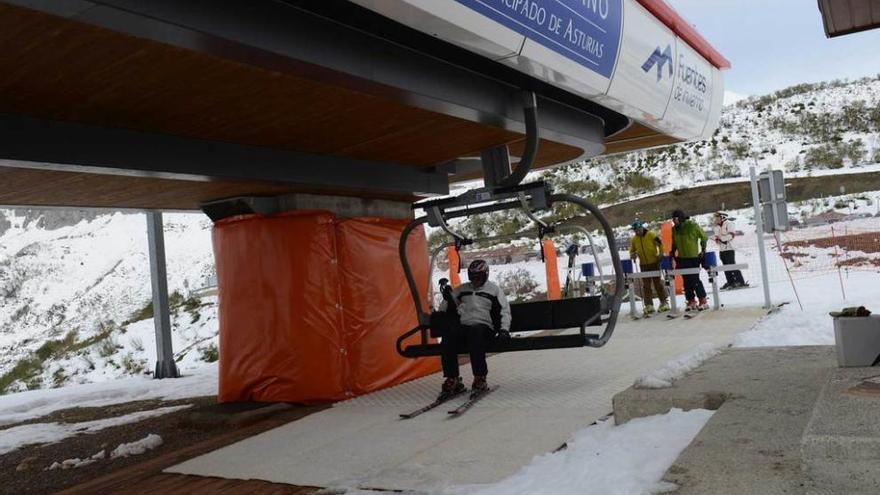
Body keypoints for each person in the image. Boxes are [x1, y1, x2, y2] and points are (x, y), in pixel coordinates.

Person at [438, 259, 511, 399]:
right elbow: (443, 309)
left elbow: (504, 311)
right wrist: (448, 298)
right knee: (449, 335)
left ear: (485, 275)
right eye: (472, 277)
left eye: (478, 277)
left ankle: (480, 377)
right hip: (465, 326)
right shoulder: (463, 289)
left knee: (476, 332)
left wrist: (504, 330)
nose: (475, 280)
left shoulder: (494, 290)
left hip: (485, 328)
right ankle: (453, 378)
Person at [670, 210, 709, 311]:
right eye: (673, 219)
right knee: (686, 281)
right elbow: (674, 241)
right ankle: (691, 301)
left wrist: (703, 250)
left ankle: (703, 300)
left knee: (695, 280)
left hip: (693, 257)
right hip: (682, 258)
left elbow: (704, 237)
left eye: (676, 219)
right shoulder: (674, 229)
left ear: (681, 218)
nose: (674, 221)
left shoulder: (692, 225)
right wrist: (673, 251)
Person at [628, 221, 669, 315]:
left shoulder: (651, 234)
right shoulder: (634, 239)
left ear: (642, 228)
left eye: (638, 229)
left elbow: (660, 243)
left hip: (654, 262)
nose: (637, 232)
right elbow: (631, 251)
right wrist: (633, 255)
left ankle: (664, 302)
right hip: (643, 264)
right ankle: (649, 304)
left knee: (657, 283)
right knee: (646, 285)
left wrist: (661, 253)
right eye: (635, 230)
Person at [712, 212, 747, 289]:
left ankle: (740, 281)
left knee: (732, 265)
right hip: (722, 249)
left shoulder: (729, 224)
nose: (715, 220)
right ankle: (730, 282)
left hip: (729, 248)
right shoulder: (716, 227)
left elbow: (731, 235)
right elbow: (716, 236)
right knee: (725, 266)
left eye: (717, 218)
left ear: (722, 217)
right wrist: (716, 239)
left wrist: (722, 239)